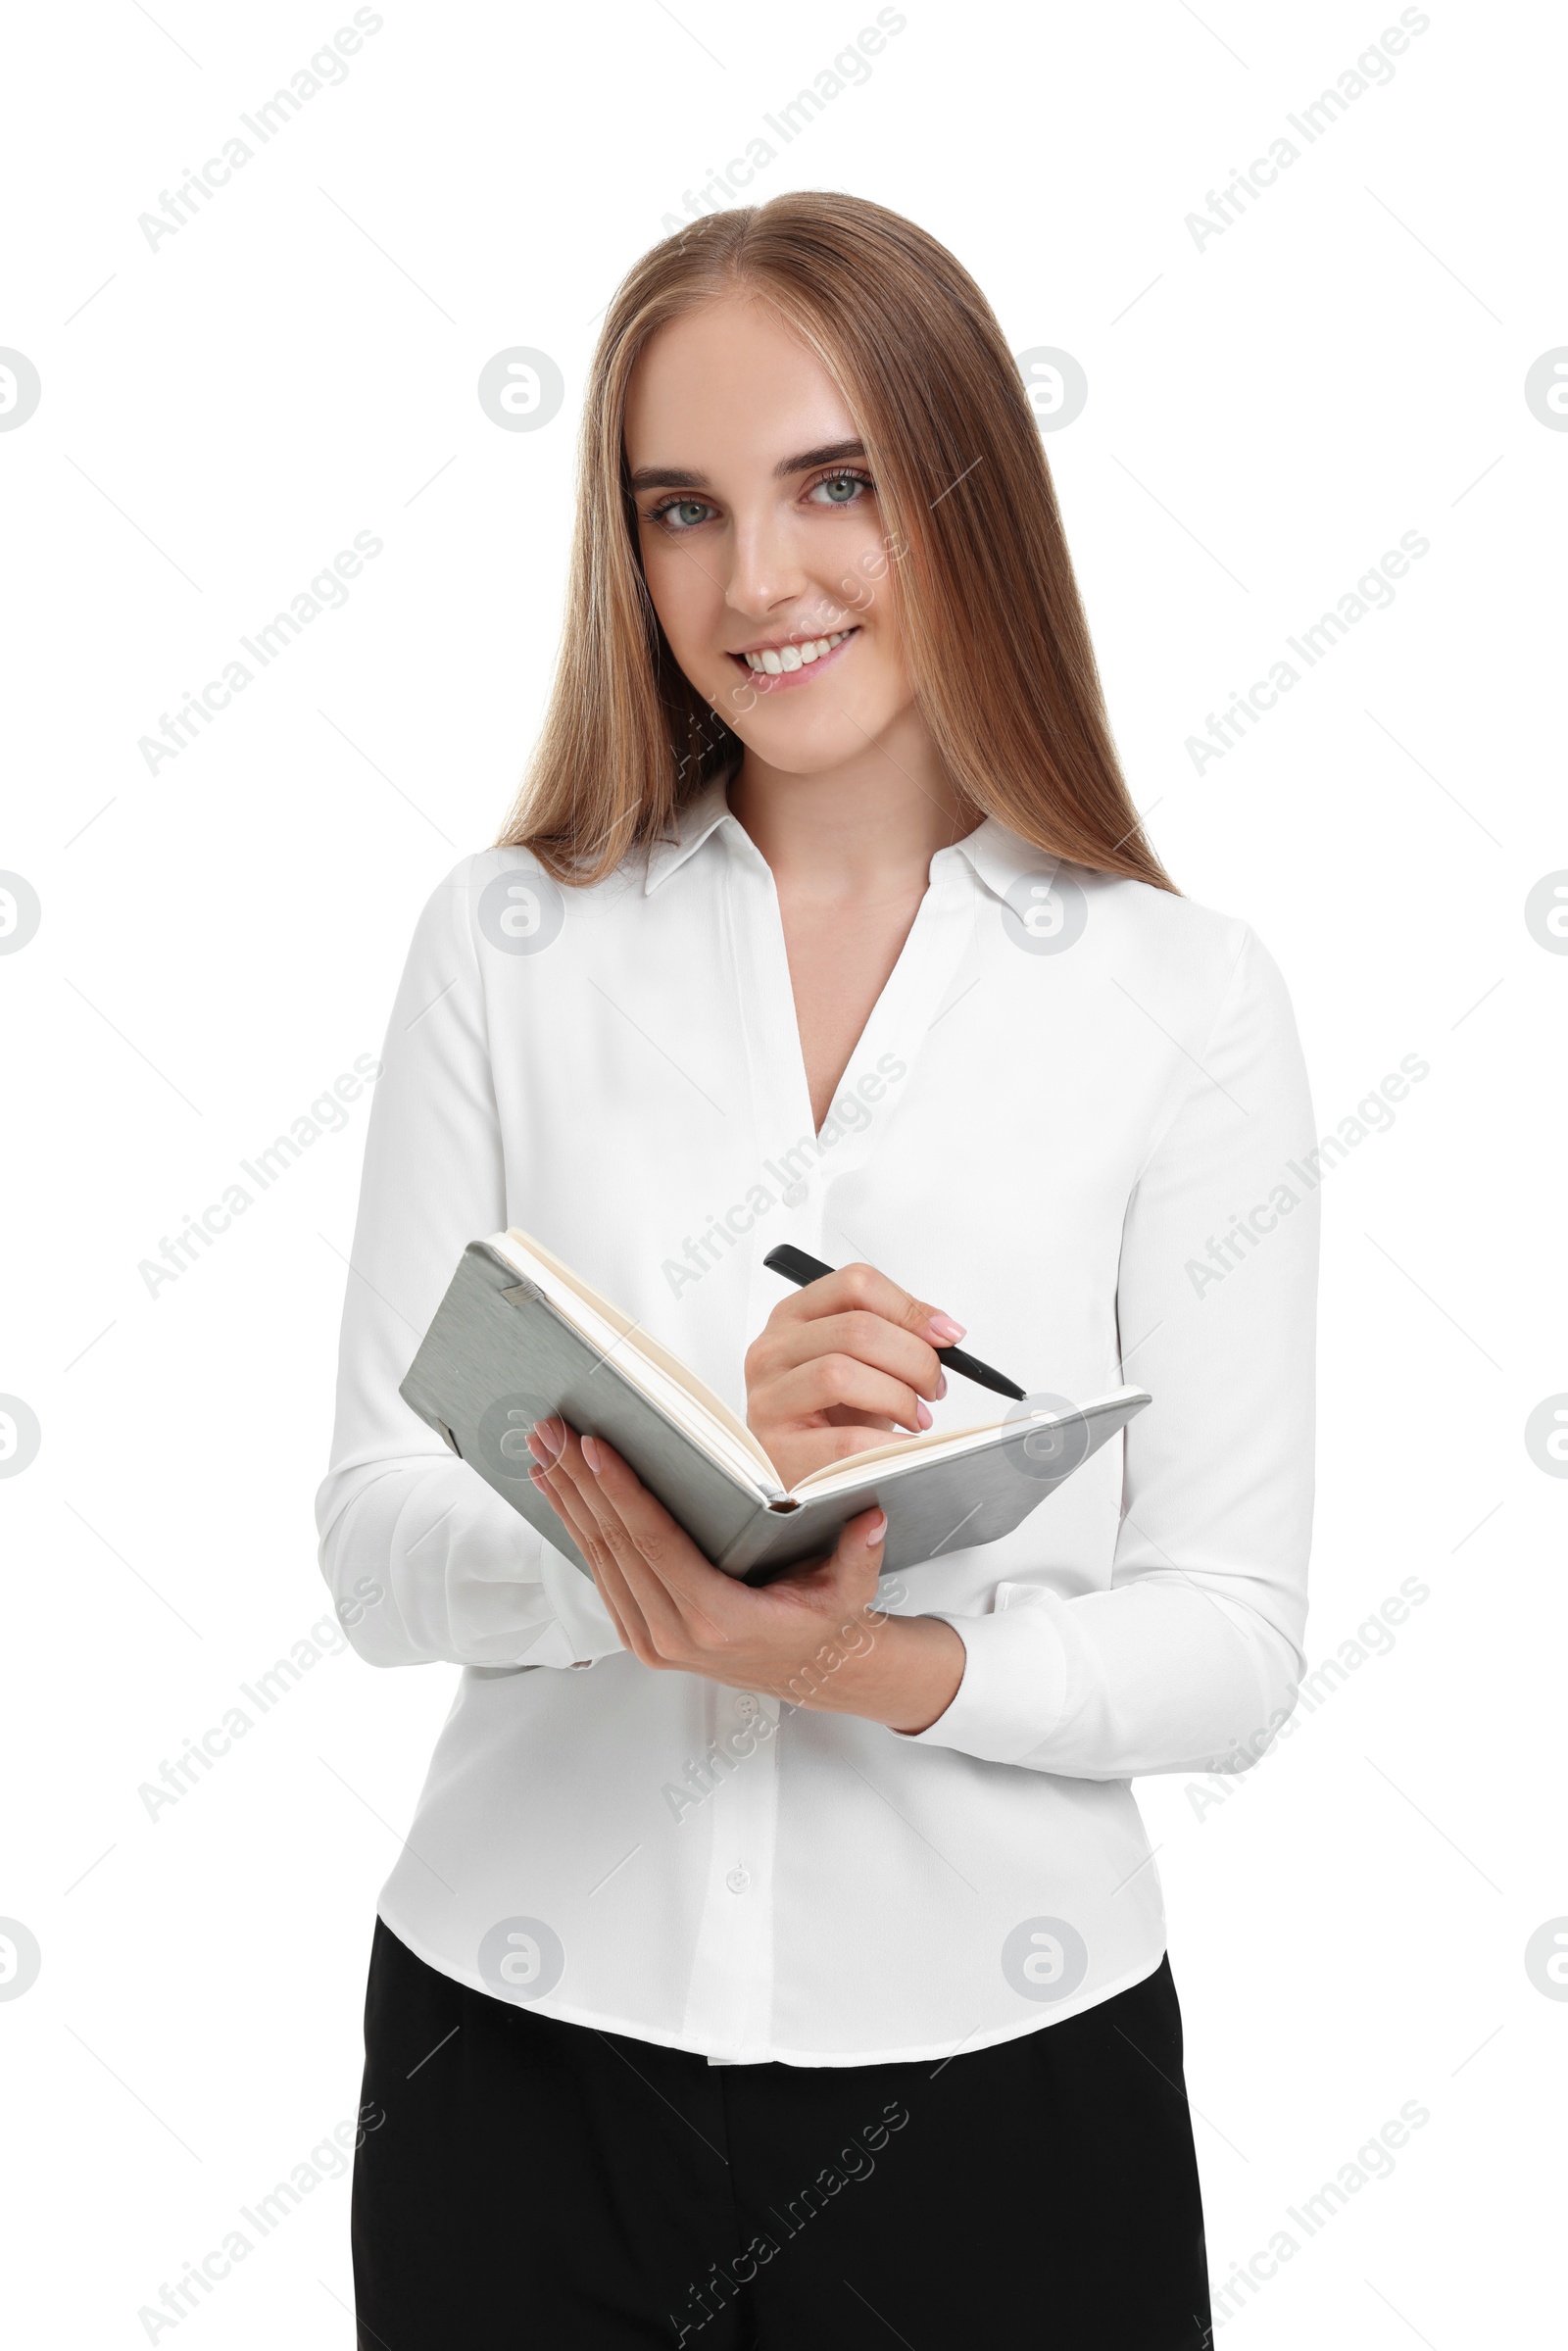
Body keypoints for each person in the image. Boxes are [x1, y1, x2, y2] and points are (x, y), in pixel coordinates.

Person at [317, 190, 1317, 2347]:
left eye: (832, 485)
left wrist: (862, 1667)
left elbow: (1228, 1642)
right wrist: (660, 1506)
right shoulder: (506, 944)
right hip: (514, 2056)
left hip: (1000, 2090)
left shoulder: (1183, 999)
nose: (753, 581)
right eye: (679, 508)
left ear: (963, 487)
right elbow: (377, 1549)